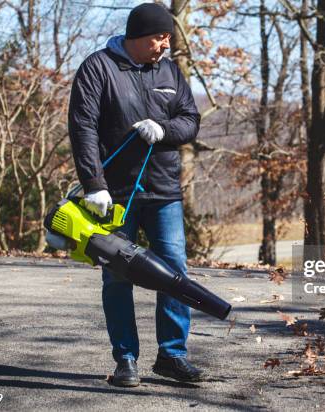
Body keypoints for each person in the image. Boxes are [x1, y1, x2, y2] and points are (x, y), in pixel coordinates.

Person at [68, 3, 202, 387]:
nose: (165, 46)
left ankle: (173, 356)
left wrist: (164, 129)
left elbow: (190, 120)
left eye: (168, 39)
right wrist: (95, 185)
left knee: (175, 273)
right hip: (116, 196)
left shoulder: (169, 71)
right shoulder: (98, 68)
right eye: (160, 38)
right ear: (139, 36)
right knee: (117, 277)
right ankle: (126, 359)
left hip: (164, 192)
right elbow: (83, 128)